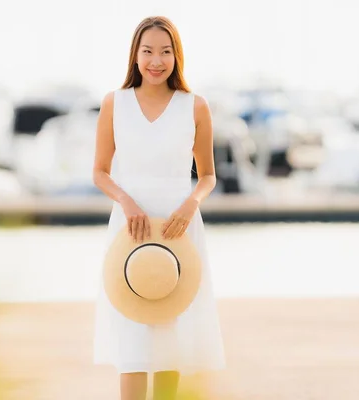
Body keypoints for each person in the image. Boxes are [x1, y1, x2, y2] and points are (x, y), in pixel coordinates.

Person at [92, 16, 226, 400]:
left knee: (171, 341)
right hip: (130, 228)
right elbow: (100, 172)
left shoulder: (195, 106)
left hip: (178, 228)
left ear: (176, 56)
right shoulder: (114, 103)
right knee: (133, 344)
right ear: (135, 56)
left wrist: (190, 205)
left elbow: (208, 176)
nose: (156, 60)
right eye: (148, 51)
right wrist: (126, 200)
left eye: (165, 52)